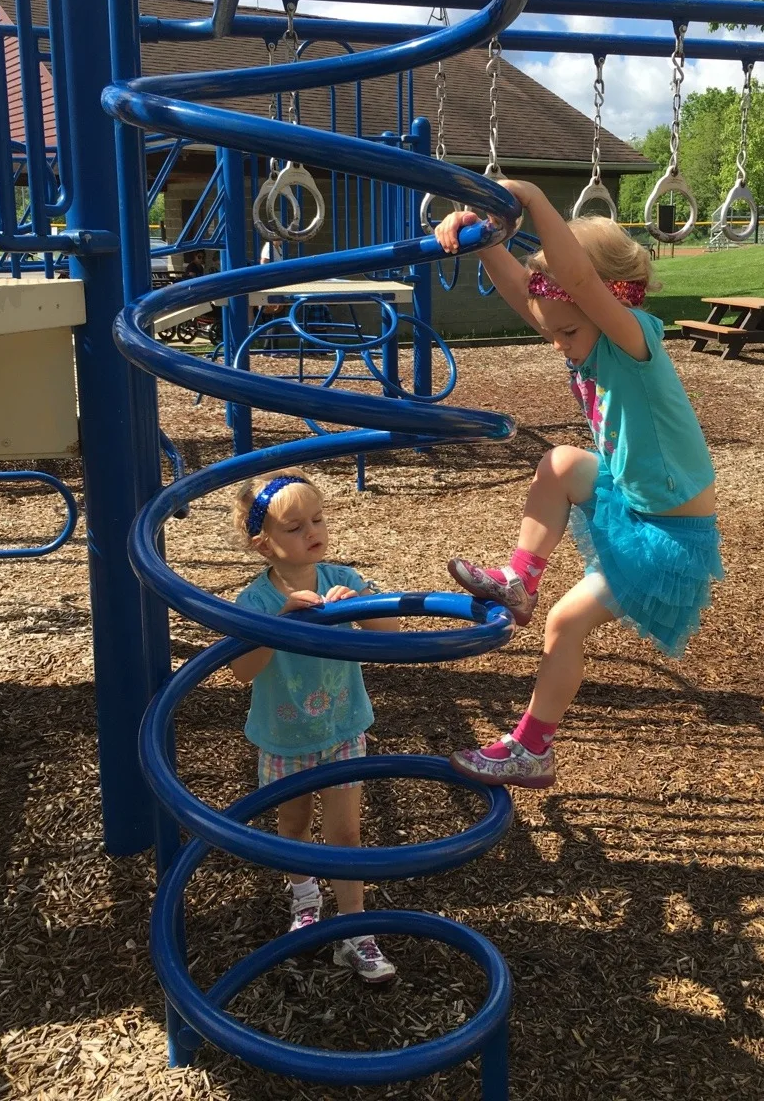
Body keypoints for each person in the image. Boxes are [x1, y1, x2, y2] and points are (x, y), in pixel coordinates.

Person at [434, 181, 722, 789]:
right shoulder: (584, 332)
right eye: (556, 333)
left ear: (599, 305)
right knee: (559, 462)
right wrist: (482, 236)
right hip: (634, 501)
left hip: (669, 538)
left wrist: (532, 200)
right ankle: (519, 579)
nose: (559, 344)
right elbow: (527, 297)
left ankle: (533, 749)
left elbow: (581, 284)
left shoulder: (633, 338)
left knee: (564, 624)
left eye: (566, 332)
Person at [231, 467, 398, 983]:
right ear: (264, 545)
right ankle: (305, 903)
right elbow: (242, 671)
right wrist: (277, 623)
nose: (313, 532)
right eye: (296, 526)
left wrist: (364, 608)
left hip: (342, 728)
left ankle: (355, 934)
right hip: (284, 738)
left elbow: (391, 633)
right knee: (293, 827)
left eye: (318, 519)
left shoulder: (341, 580)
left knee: (346, 833)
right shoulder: (255, 602)